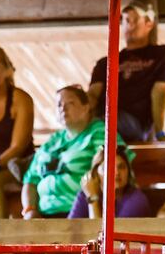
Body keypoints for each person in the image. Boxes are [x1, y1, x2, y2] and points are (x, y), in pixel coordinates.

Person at [88, 0, 165, 144]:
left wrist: (159, 132)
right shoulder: (105, 62)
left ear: (149, 23)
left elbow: (160, 91)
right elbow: (92, 95)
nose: (129, 24)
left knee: (108, 120)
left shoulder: (163, 54)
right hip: (103, 120)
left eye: (135, 19)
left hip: (134, 123)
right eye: (126, 20)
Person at [22, 85, 105, 219]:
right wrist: (29, 209)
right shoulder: (52, 141)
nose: (63, 108)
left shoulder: (99, 132)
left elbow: (111, 167)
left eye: (70, 103)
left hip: (81, 212)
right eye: (59, 104)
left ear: (86, 107)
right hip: (43, 215)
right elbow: (30, 179)